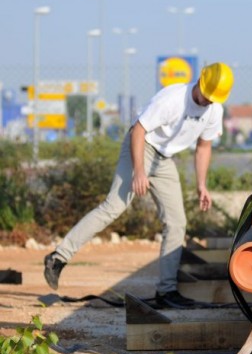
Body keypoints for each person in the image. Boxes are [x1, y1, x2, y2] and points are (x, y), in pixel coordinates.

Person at [43, 62, 234, 309]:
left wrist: (201, 184)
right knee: (114, 206)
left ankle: (166, 292)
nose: (208, 102)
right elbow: (138, 130)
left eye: (213, 99)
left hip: (164, 160)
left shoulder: (214, 110)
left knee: (177, 223)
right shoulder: (173, 99)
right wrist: (139, 172)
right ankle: (58, 257)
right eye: (207, 96)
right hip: (143, 147)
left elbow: (204, 146)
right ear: (200, 81)